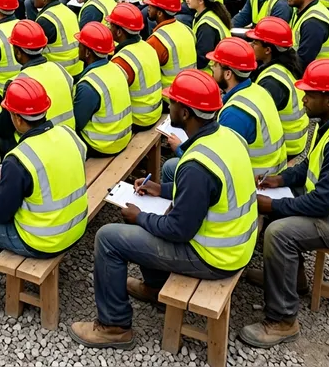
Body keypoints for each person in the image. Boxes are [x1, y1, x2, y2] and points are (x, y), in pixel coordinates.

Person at [69, 69, 257, 349]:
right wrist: (161, 190)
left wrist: (140, 216)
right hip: (235, 245)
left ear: (185, 112)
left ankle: (113, 326)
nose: (170, 106)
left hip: (213, 256)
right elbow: (206, 194)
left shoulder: (197, 165)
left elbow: (179, 230)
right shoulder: (224, 137)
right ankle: (155, 287)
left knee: (108, 238)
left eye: (174, 103)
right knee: (147, 214)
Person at [239, 60, 329, 348]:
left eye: (310, 94)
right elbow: (310, 165)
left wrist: (273, 206)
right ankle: (293, 281)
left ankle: (283, 320)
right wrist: (280, 179)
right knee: (277, 205)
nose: (304, 98)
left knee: (280, 232)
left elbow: (322, 202)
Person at [0, 77, 88, 314]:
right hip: (75, 227)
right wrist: (11, 176)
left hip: (41, 240)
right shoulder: (67, 134)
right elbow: (54, 168)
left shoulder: (19, 158)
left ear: (18, 119)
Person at [170, 37, 286, 180]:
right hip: (271, 171)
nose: (211, 67)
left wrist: (180, 150)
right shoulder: (257, 90)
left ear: (228, 73)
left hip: (253, 180)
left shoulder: (234, 114)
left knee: (171, 167)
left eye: (216, 64)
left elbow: (216, 164)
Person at [0, 20, 75, 153]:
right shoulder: (60, 69)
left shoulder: (17, 84)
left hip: (35, 147)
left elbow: (4, 128)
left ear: (18, 52)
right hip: (67, 138)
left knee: (2, 137)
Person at [246, 17, 309, 157]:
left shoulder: (272, 82)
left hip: (287, 145)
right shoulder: (286, 64)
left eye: (255, 42)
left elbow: (255, 118)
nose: (250, 45)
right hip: (295, 139)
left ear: (268, 50)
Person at [73, 23, 132, 157]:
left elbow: (76, 124)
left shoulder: (89, 86)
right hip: (123, 137)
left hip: (102, 146)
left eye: (80, 45)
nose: (78, 48)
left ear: (88, 52)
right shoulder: (116, 68)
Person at [107, 3, 162, 131]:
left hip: (139, 119)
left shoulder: (122, 61)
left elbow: (115, 99)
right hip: (155, 111)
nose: (109, 29)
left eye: (111, 26)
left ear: (119, 32)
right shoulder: (147, 45)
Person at [27, 0, 81, 78]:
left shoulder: (45, 20)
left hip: (60, 71)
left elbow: (33, 52)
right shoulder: (67, 11)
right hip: (77, 68)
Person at [143, 0, 197, 88]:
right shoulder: (187, 29)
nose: (148, 7)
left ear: (160, 13)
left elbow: (146, 71)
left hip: (170, 95)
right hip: (191, 89)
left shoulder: (157, 40)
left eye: (151, 5)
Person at [186, 0, 232, 72]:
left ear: (200, 1)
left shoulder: (207, 26)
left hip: (212, 72)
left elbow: (201, 60)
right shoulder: (207, 15)